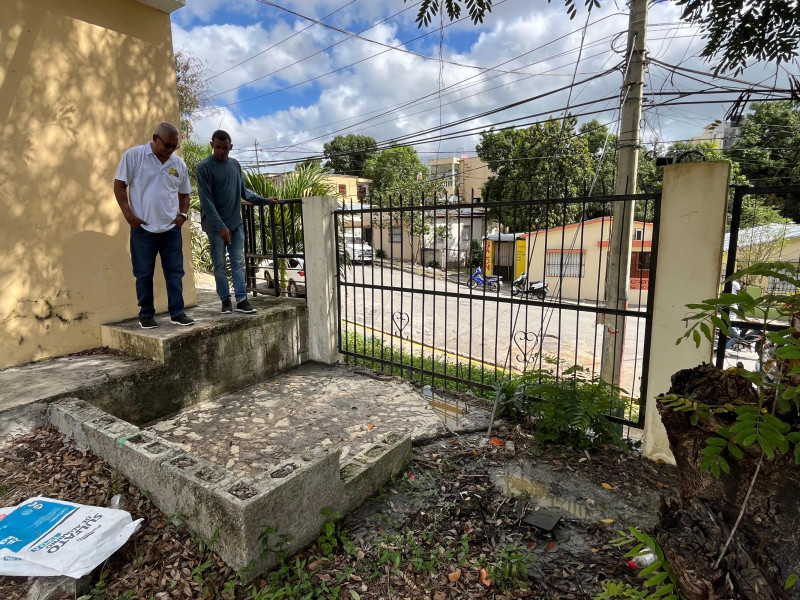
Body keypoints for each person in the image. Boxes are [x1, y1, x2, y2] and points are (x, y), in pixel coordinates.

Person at [114, 123, 194, 329]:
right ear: (155, 138)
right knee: (143, 273)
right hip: (143, 228)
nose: (170, 150)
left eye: (174, 147)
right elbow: (119, 185)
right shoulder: (134, 156)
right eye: (167, 145)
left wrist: (182, 216)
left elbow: (185, 193)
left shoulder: (178, 164)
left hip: (170, 230)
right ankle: (146, 314)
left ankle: (177, 312)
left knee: (175, 272)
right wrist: (128, 214)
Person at [197, 130, 278, 314]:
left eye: (225, 148)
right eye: (218, 147)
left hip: (235, 224)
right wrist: (220, 227)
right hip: (215, 227)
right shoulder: (204, 167)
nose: (221, 151)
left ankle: (242, 300)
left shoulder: (235, 165)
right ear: (212, 145)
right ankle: (225, 300)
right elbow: (206, 202)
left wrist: (265, 200)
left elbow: (244, 192)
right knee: (219, 265)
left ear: (231, 147)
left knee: (238, 262)